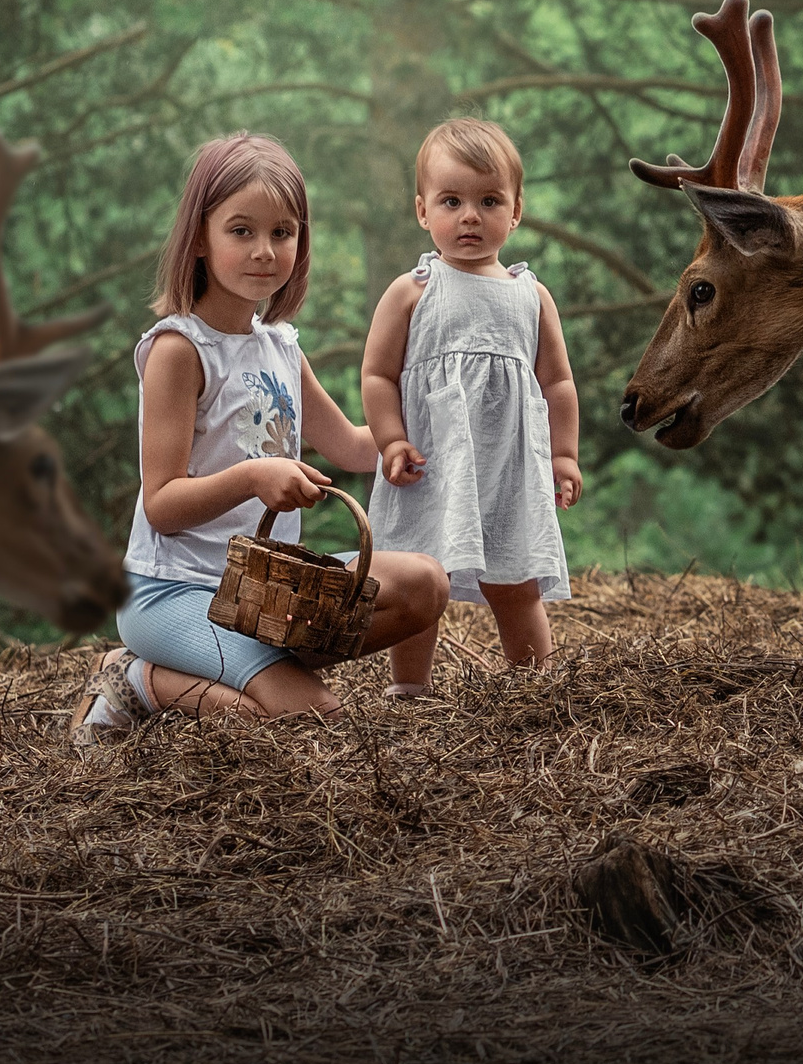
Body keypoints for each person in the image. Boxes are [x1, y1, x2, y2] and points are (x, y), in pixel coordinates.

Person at [74, 132, 448, 745]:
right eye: (241, 230)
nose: (265, 251)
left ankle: (262, 669)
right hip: (174, 591)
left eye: (283, 232)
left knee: (425, 584)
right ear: (199, 236)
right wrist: (253, 477)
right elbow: (162, 504)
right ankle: (136, 676)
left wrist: (429, 418)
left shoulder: (281, 346)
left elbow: (354, 447)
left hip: (263, 592)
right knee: (309, 720)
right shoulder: (179, 350)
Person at [360, 118, 579, 696]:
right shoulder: (413, 290)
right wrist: (391, 439)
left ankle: (536, 688)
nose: (470, 217)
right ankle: (410, 687)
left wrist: (564, 456)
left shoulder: (531, 296)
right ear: (422, 210)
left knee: (517, 581)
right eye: (451, 201)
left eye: (489, 201)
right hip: (432, 467)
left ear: (516, 210)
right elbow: (378, 375)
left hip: (508, 471)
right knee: (419, 573)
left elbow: (557, 383)